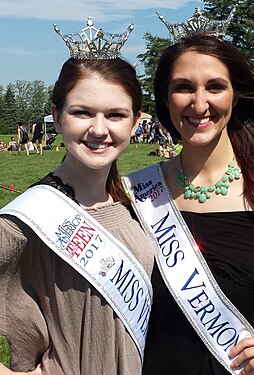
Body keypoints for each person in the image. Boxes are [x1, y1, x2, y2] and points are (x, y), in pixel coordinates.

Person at [123, 32, 254, 375]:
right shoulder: (135, 194)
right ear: (166, 100)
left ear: (236, 95)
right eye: (183, 87)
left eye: (215, 87)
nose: (199, 104)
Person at [0, 22, 154, 374]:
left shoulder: (138, 205)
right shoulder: (28, 219)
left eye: (116, 115)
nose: (99, 129)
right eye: (82, 112)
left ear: (135, 123)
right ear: (56, 116)